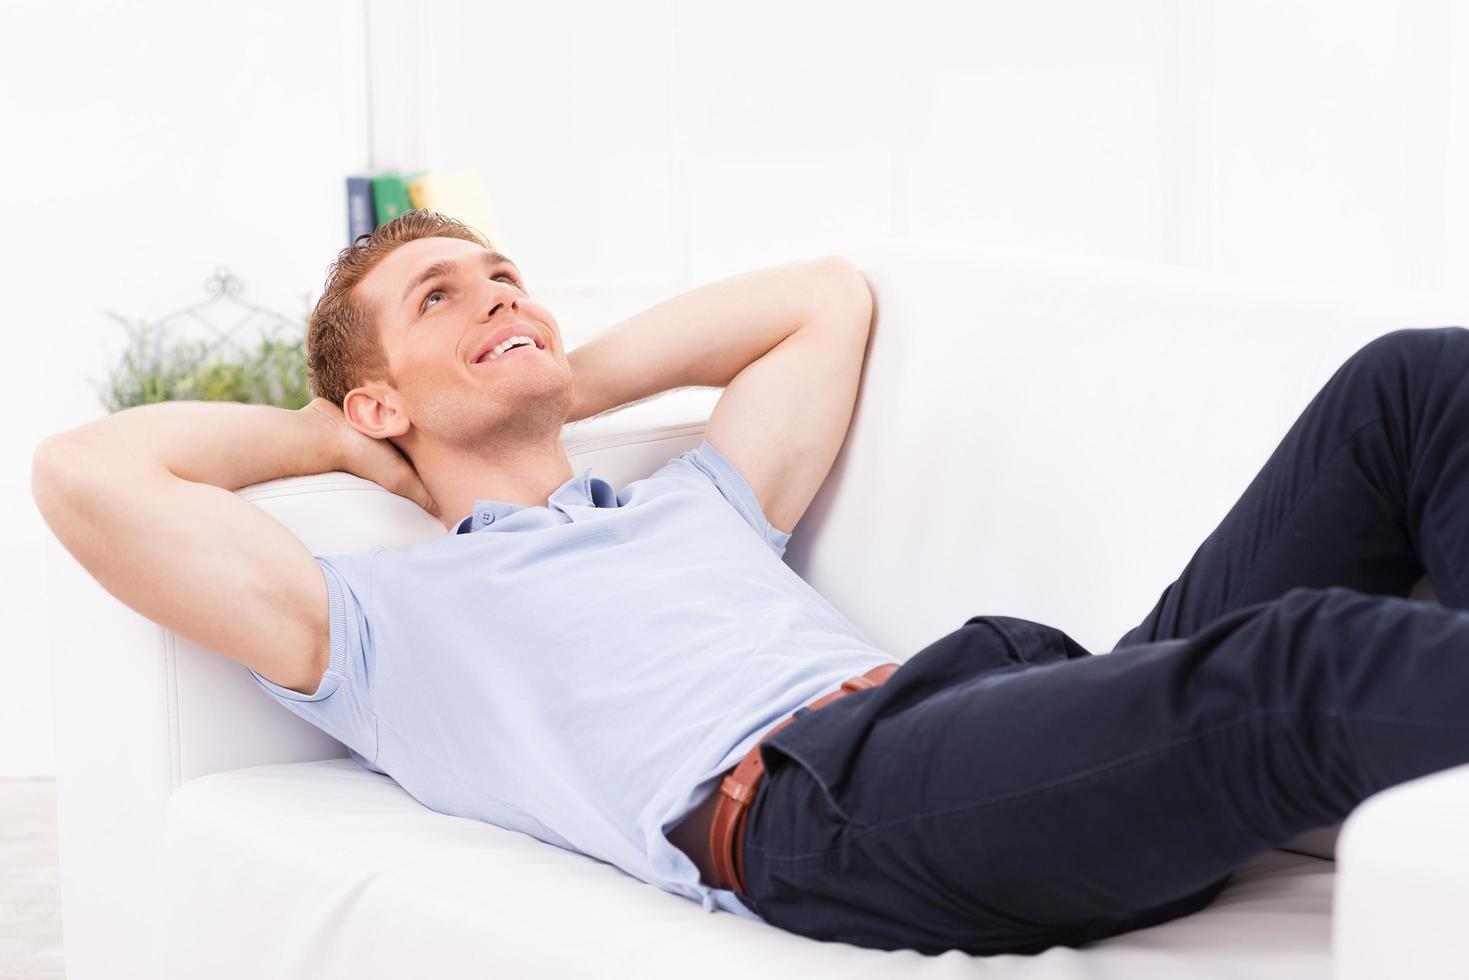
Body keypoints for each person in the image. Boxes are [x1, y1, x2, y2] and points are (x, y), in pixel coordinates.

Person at [30, 209, 1469, 957]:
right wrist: (342, 442)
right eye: (441, 298)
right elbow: (85, 474)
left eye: (505, 276)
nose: (497, 298)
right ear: (375, 403)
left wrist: (561, 366)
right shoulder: (381, 625)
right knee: (1305, 662)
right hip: (824, 805)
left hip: (1002, 713)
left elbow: (821, 299)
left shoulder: (689, 509)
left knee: (1411, 386)